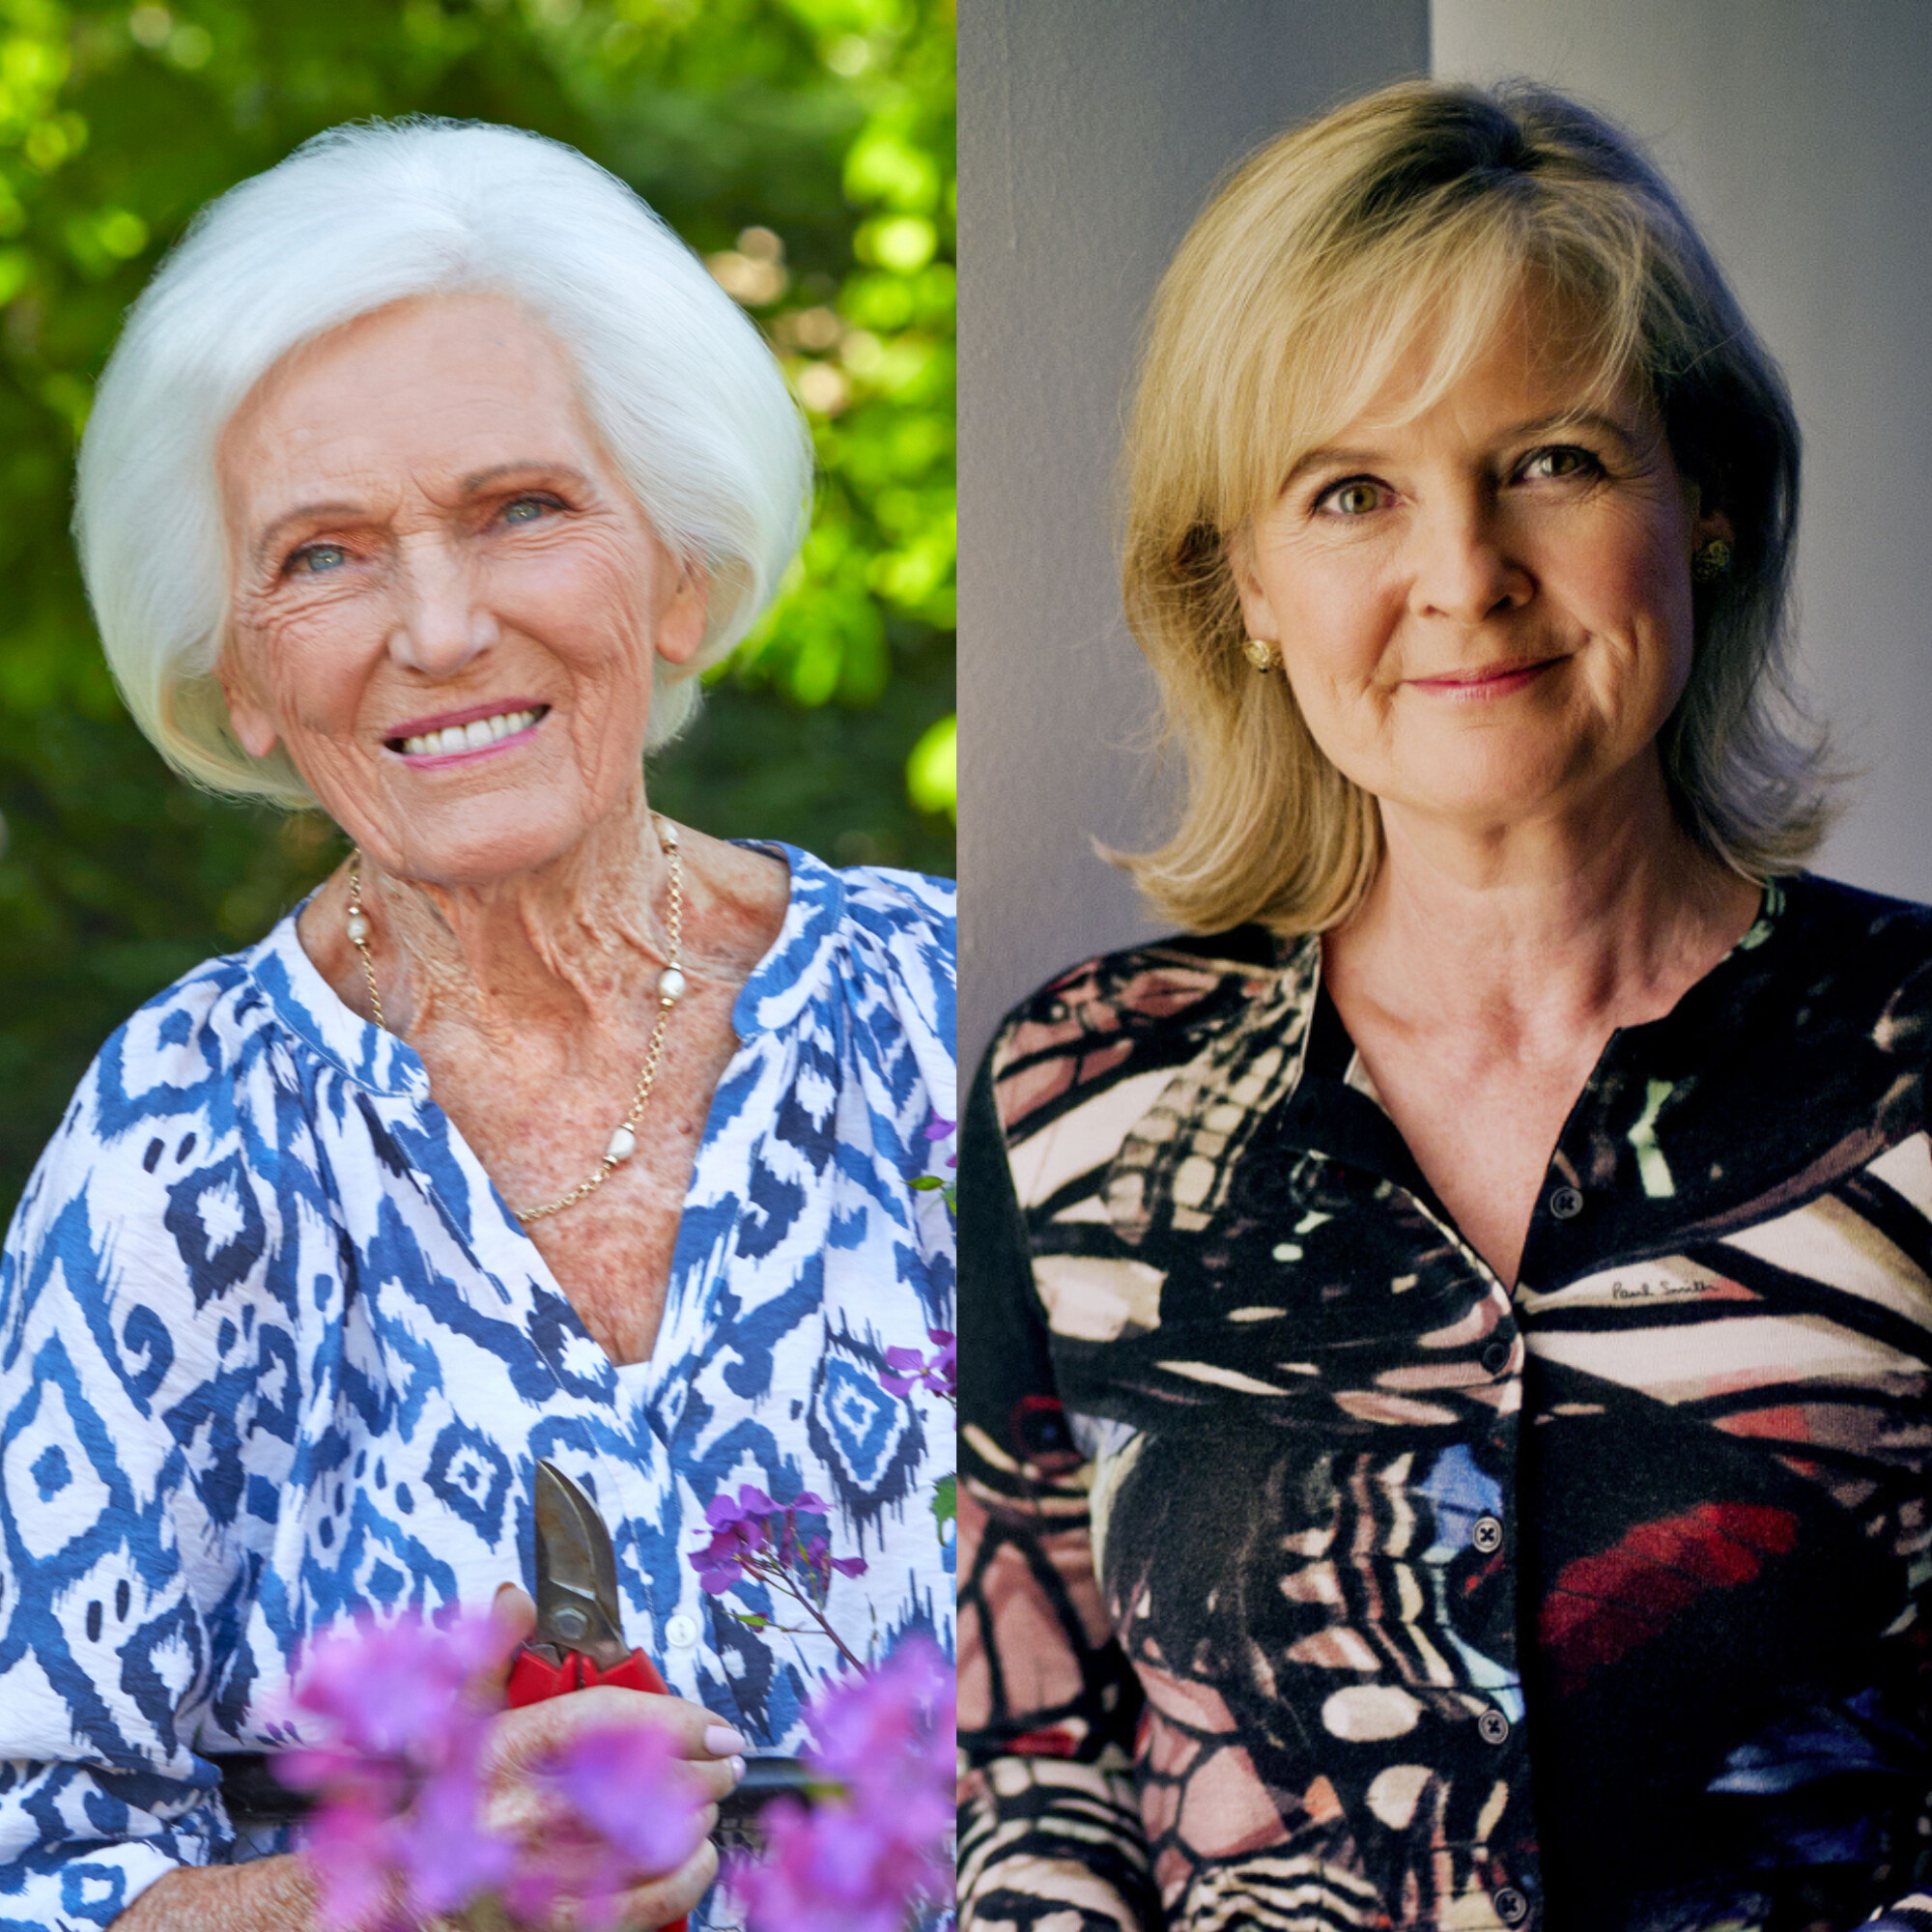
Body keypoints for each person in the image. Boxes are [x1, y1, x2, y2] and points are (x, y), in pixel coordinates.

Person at [957, 79, 1932, 1932]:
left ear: (1706, 504)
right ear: (1242, 583)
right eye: (1352, 494)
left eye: (1552, 459)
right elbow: (1037, 1771)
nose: (1462, 578)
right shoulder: (1077, 1100)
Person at [0, 119, 955, 1931]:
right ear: (244, 673)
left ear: (679, 568)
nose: (437, 627)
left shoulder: (948, 1019)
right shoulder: (175, 1148)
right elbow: (27, 1870)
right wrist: (392, 1893)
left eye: (522, 508)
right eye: (324, 555)